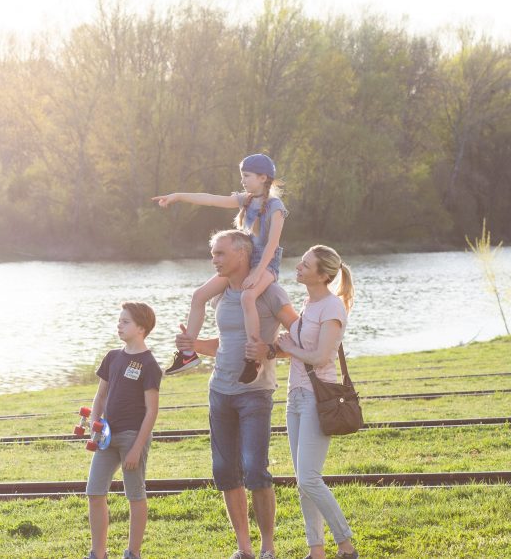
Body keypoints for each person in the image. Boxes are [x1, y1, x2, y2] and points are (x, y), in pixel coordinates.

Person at [175, 230, 297, 559]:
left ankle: (268, 547)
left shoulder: (271, 294)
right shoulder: (220, 295)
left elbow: (300, 337)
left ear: (242, 255)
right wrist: (193, 345)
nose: (214, 259)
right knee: (224, 470)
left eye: (220, 254)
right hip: (220, 393)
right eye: (212, 254)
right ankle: (244, 548)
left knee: (256, 469)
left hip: (254, 393)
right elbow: (224, 345)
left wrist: (269, 350)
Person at [252, 245, 359, 559]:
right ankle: (316, 550)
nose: (298, 266)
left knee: (309, 478)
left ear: (323, 275)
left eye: (305, 264)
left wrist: (289, 347)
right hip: (295, 397)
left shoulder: (332, 308)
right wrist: (274, 349)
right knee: (304, 481)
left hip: (317, 398)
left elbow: (321, 356)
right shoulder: (309, 306)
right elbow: (296, 348)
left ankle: (346, 544)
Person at [153, 153, 288, 378]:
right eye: (242, 175)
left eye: (247, 175)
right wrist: (177, 196)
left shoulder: (276, 206)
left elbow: (272, 245)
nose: (243, 180)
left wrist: (257, 273)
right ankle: (187, 354)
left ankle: (252, 360)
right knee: (199, 295)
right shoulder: (245, 200)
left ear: (263, 177)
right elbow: (209, 198)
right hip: (244, 265)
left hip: (266, 265)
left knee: (247, 297)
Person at [83, 301, 163, 559]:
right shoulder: (112, 357)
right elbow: (100, 395)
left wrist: (137, 449)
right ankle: (98, 553)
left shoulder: (149, 364)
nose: (119, 325)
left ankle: (133, 553)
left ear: (141, 328)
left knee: (135, 495)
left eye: (125, 321)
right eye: (119, 320)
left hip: (132, 438)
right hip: (107, 437)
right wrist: (95, 425)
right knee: (94, 492)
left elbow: (151, 411)